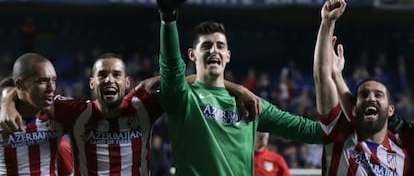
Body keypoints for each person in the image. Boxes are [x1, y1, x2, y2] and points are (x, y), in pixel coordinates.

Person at [156, 0, 321, 175]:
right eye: (206, 46)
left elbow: (303, 129)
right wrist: (168, 20)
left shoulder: (250, 103)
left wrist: (349, 125)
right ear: (191, 55)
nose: (214, 50)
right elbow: (171, 68)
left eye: (220, 46)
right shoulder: (183, 98)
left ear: (228, 56)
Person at [1, 53, 261, 175]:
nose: (109, 79)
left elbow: (191, 83)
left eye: (116, 74)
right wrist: (6, 101)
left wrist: (237, 89)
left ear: (127, 83)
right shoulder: (74, 112)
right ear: (92, 83)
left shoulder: (143, 106)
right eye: (102, 75)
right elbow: (23, 94)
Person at [313, 0, 413, 175]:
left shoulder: (404, 157)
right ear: (353, 109)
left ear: (391, 110)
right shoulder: (338, 133)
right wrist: (327, 22)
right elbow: (322, 77)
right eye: (364, 95)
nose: (371, 98)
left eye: (378, 95)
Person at [0, 54, 73, 175]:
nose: (51, 88)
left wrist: (9, 101)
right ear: (20, 86)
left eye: (54, 80)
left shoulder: (58, 112)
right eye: (42, 81)